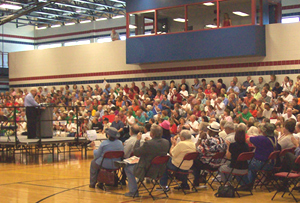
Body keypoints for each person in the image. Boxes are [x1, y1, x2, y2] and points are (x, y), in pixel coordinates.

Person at [124, 124, 169, 197]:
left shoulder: (148, 144)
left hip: (147, 170)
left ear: (152, 133)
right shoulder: (166, 142)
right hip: (160, 170)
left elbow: (136, 152)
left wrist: (138, 140)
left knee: (127, 167)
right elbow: (156, 148)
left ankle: (133, 191)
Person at [241, 123, 280, 191]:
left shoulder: (262, 139)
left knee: (244, 163)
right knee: (250, 164)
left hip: (261, 164)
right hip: (271, 163)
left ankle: (247, 184)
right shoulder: (274, 138)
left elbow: (247, 140)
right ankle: (249, 183)